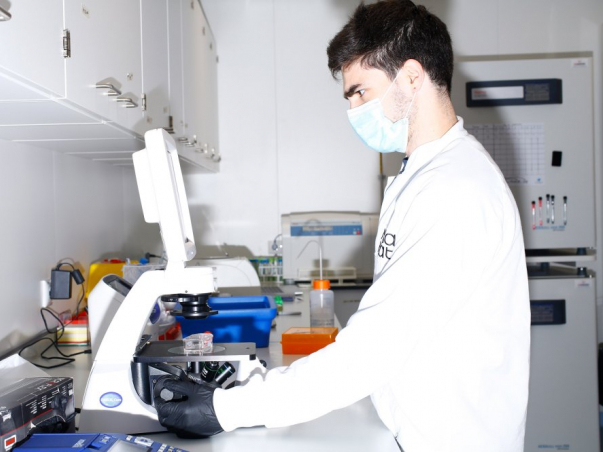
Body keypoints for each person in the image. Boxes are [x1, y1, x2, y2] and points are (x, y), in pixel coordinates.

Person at [154, 1, 531, 451]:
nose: (353, 109)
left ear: (412, 77)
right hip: (415, 428)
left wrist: (227, 409)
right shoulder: (423, 175)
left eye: (360, 93)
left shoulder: (456, 190)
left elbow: (372, 350)